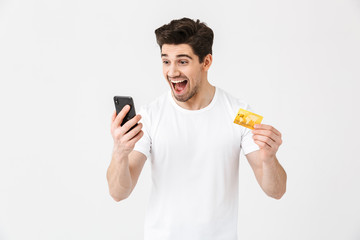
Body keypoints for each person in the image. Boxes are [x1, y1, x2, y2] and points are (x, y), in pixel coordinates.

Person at [107, 17, 287, 240]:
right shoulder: (150, 115)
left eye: (182, 62)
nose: (172, 72)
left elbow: (276, 191)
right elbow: (118, 193)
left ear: (206, 62)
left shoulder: (241, 113)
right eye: (166, 61)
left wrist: (269, 159)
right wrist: (119, 153)